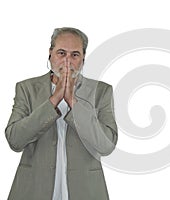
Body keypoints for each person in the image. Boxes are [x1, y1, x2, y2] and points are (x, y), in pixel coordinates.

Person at [5, 27, 118, 200]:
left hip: (87, 191)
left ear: (83, 58)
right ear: (50, 54)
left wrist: (72, 101)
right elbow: (15, 140)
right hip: (33, 190)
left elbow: (106, 145)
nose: (67, 61)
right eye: (61, 53)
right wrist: (54, 99)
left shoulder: (101, 91)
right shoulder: (26, 89)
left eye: (75, 55)